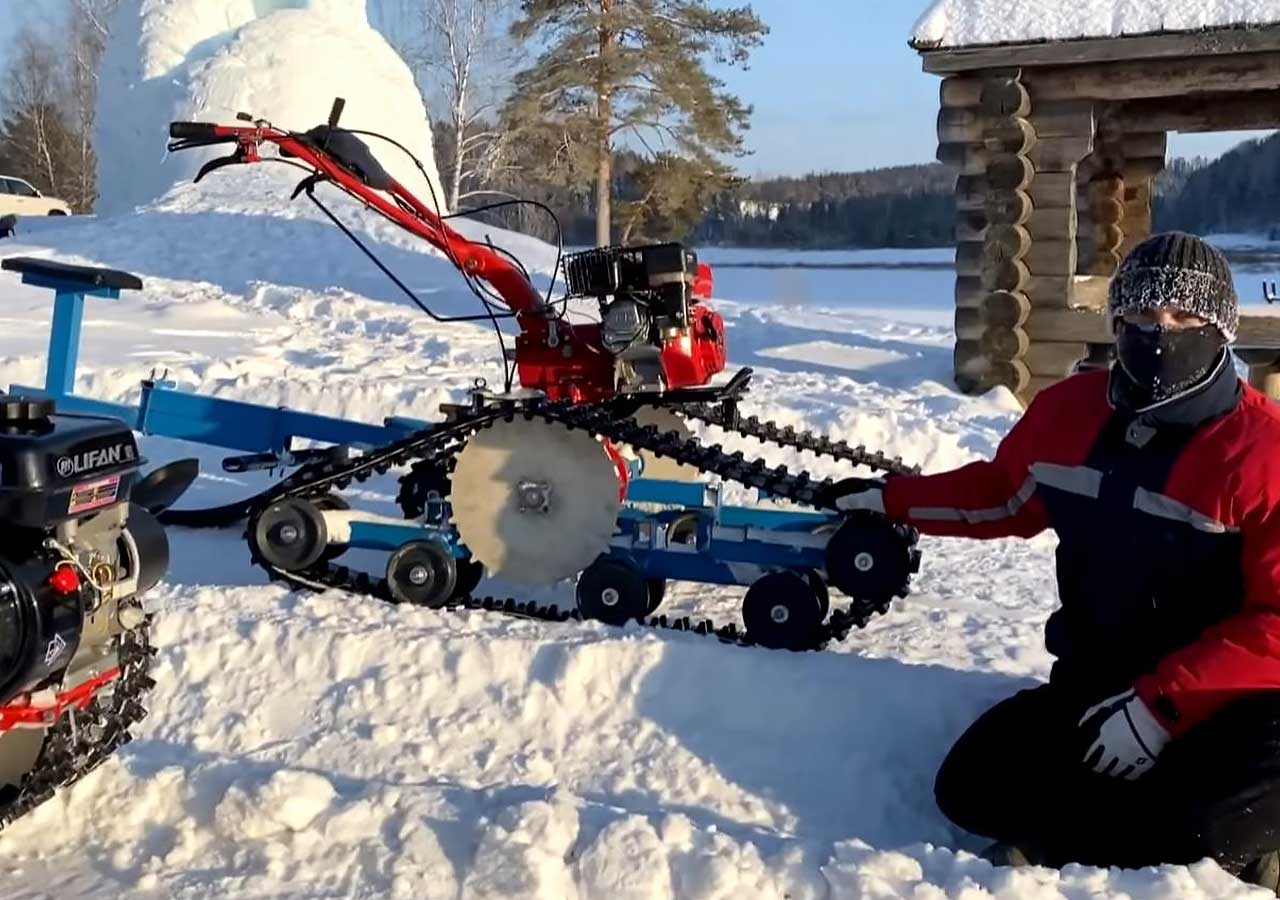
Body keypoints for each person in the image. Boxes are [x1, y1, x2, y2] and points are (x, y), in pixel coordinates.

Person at [819, 232, 1280, 890]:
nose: (1161, 333)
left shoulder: (1264, 449)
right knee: (970, 785)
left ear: (1221, 330)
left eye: (1184, 317)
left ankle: (1120, 846)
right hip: (1101, 683)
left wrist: (1162, 709)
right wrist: (892, 501)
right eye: (1143, 314)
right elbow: (1001, 495)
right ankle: (1127, 837)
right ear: (1117, 322)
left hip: (1227, 704)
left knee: (1217, 816)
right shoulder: (1068, 412)